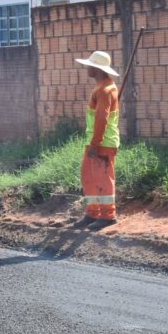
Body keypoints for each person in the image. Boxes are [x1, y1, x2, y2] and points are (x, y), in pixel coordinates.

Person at [72, 51, 120, 231]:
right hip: (96, 141)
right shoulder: (103, 87)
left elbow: (102, 119)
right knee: (89, 177)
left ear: (97, 69)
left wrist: (95, 144)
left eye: (90, 65)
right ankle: (92, 213)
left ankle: (108, 215)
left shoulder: (105, 90)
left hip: (102, 142)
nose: (87, 68)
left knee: (103, 178)